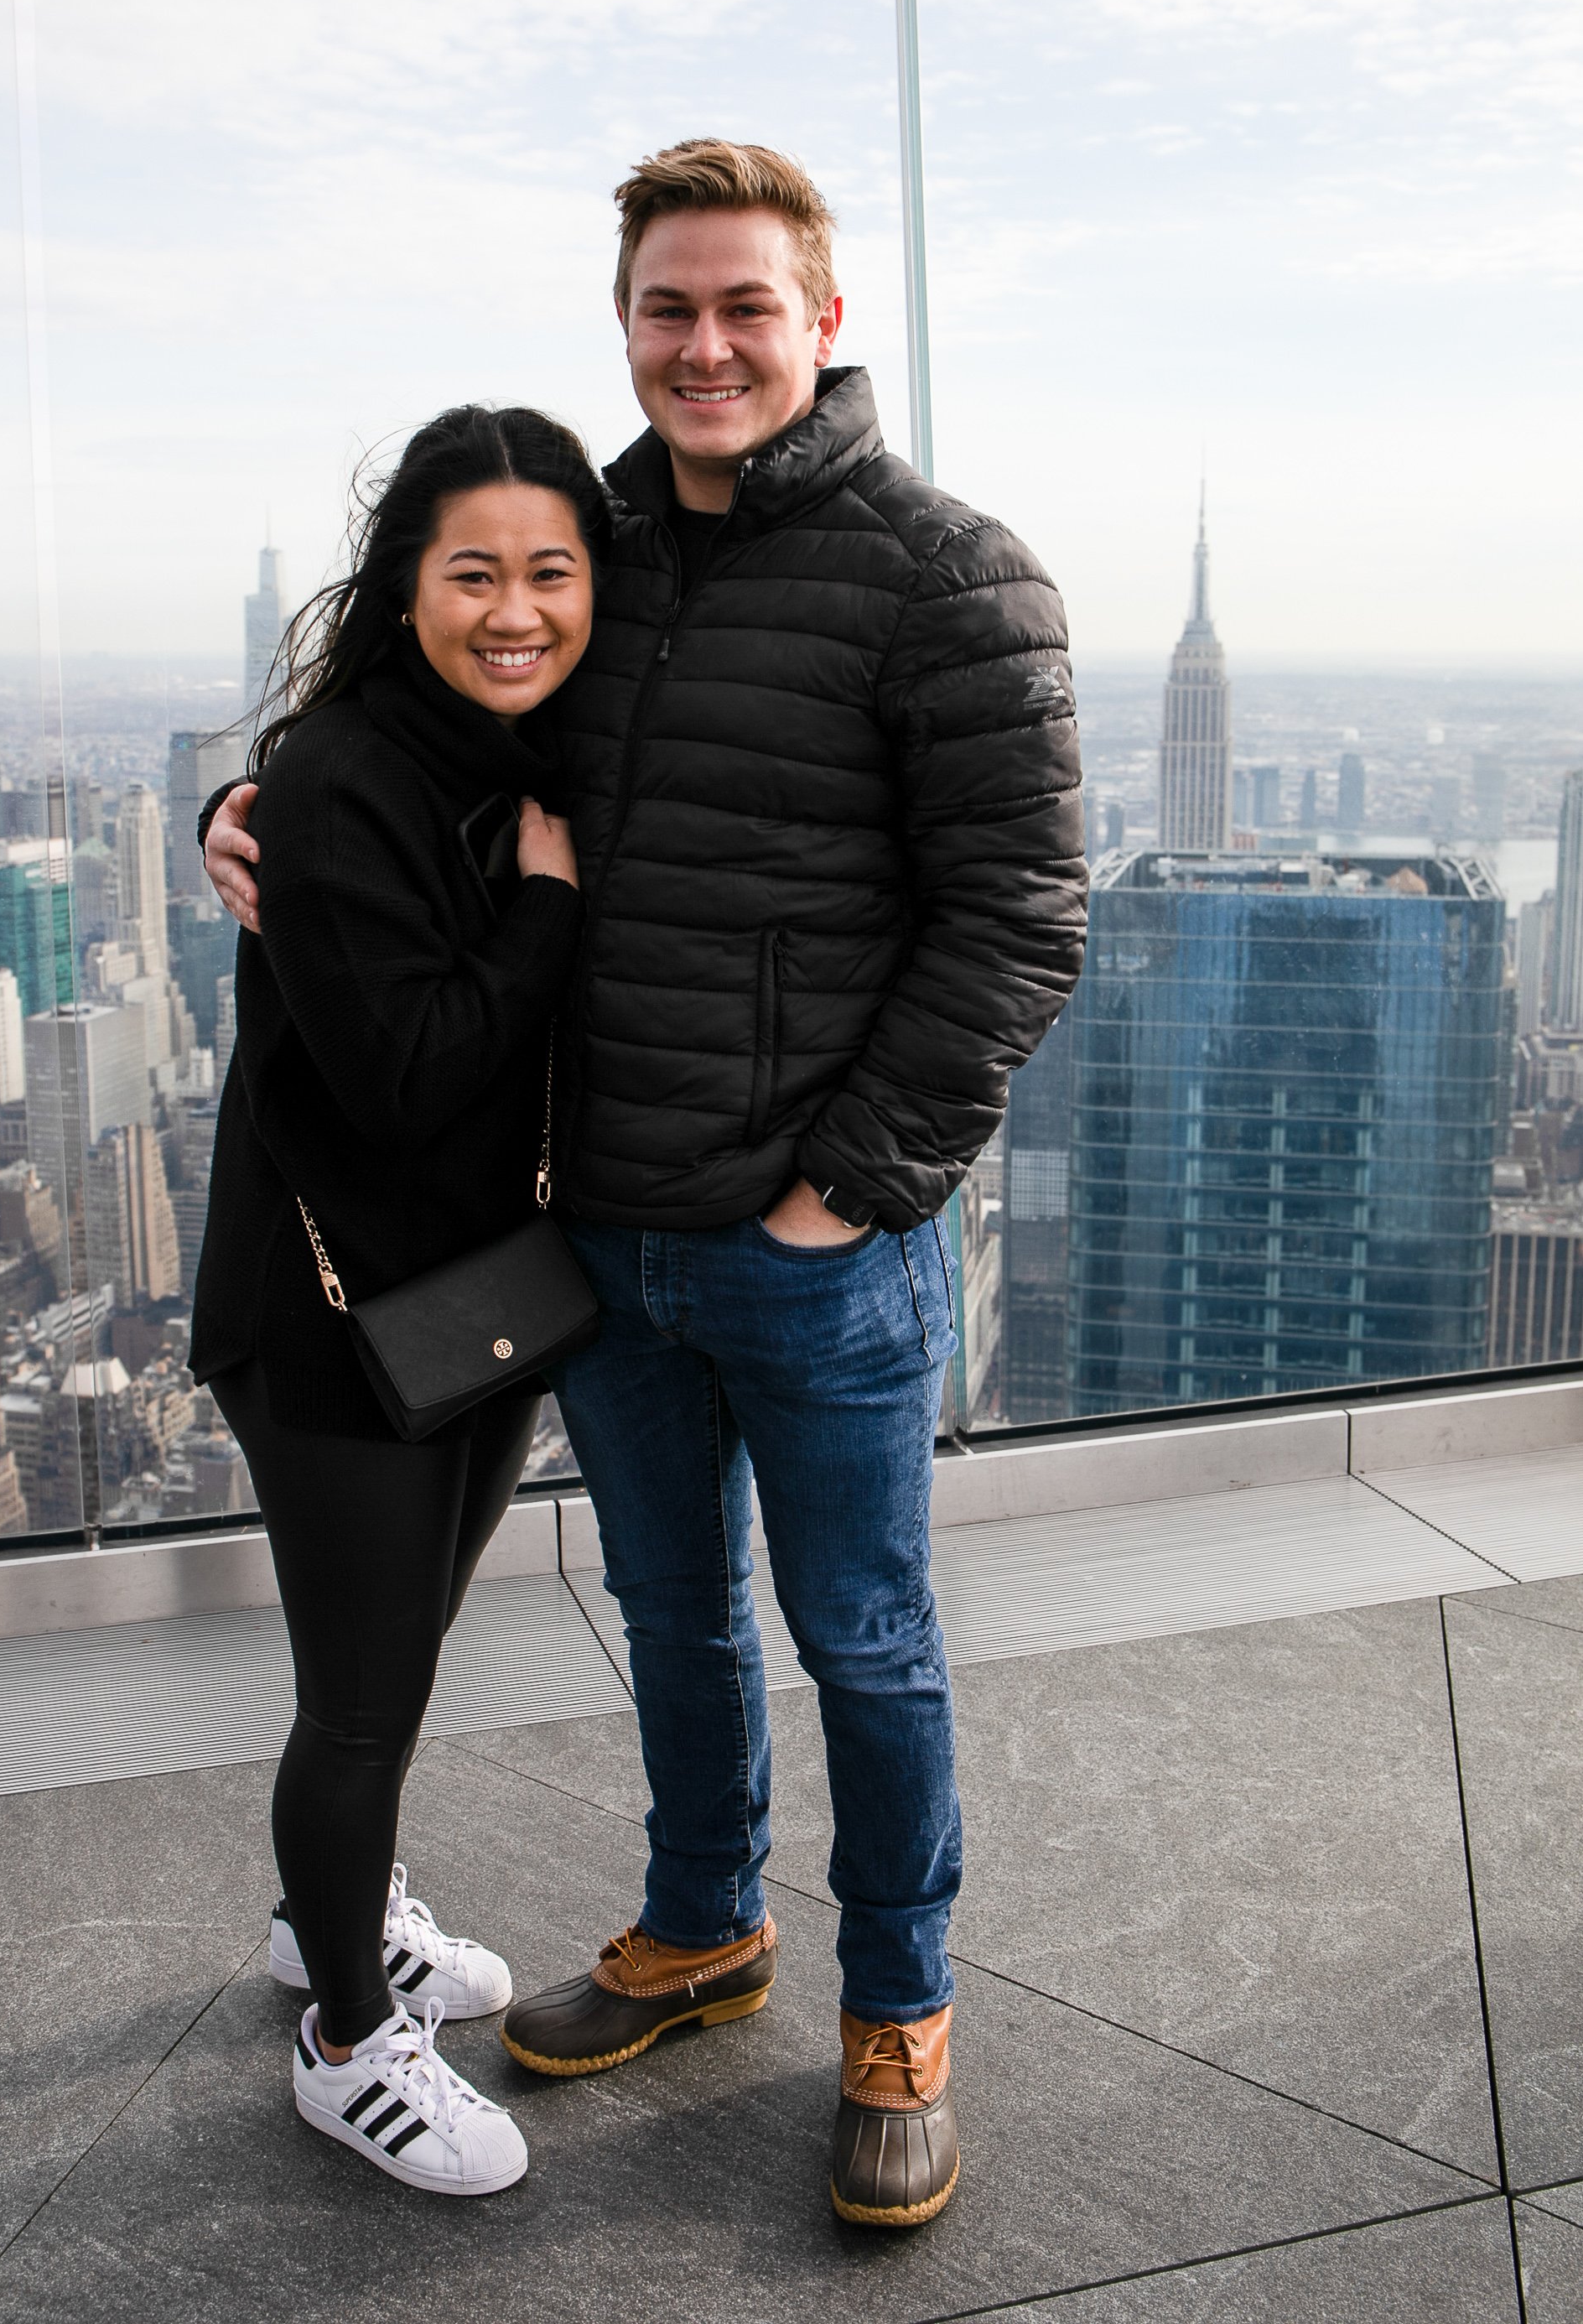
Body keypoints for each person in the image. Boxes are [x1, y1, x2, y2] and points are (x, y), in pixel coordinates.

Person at [205, 139, 1087, 2225]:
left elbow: (1021, 916)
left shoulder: (950, 578)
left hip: (811, 1249)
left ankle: (899, 2010)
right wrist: (250, 802)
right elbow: (414, 716)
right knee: (671, 1619)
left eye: (743, 307)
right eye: (666, 309)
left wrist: (845, 1190)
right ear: (624, 325)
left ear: (823, 319)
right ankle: (702, 1922)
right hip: (595, 1229)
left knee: (861, 1638)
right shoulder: (584, 552)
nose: (703, 345)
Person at [190, 401, 609, 2197]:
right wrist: (539, 916)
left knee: (400, 1661)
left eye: (549, 570)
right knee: (358, 1700)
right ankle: (350, 2043)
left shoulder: (523, 744)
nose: (513, 609)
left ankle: (332, 1917)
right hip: (327, 1317)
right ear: (402, 583)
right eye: (471, 573)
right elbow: (408, 1074)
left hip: (468, 1298)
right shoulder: (353, 781)